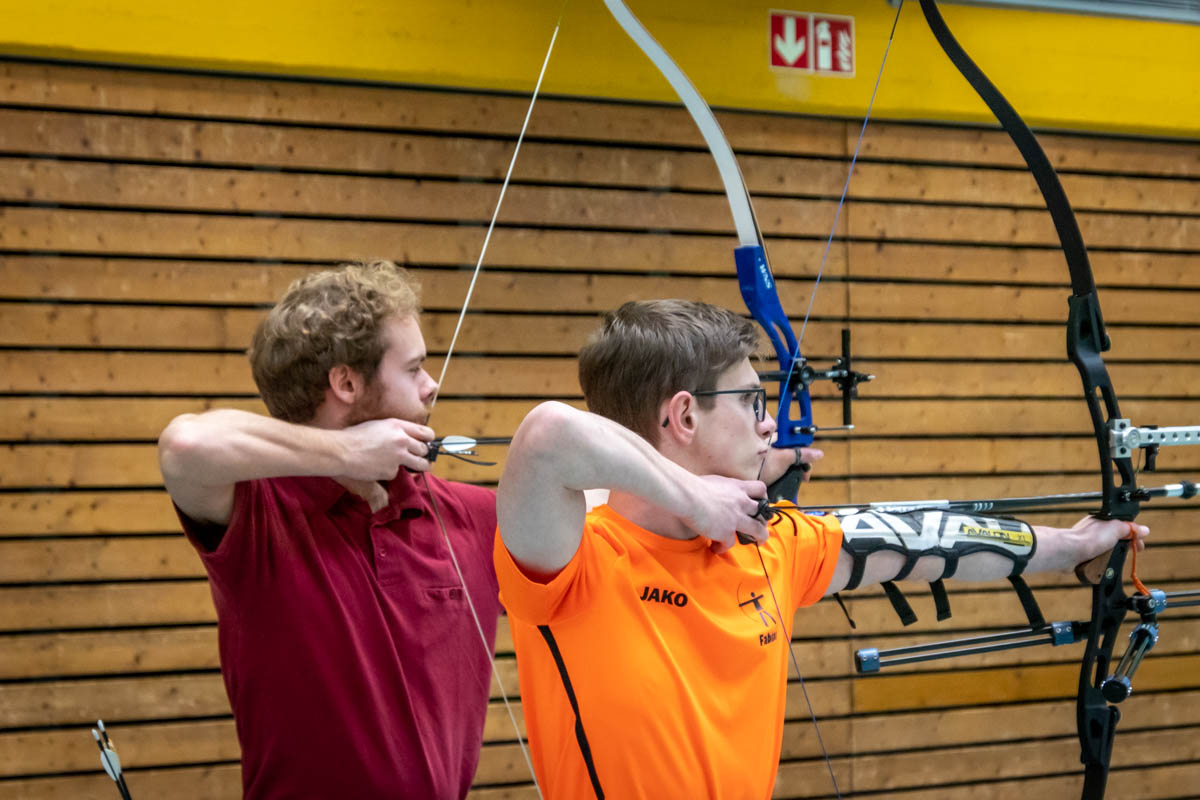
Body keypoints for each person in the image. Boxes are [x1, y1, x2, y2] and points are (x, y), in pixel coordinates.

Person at [493, 299, 1148, 799]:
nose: (768, 424)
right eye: (751, 402)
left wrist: (1071, 546)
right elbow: (547, 435)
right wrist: (696, 500)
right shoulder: (576, 559)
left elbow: (922, 542)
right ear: (684, 416)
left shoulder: (767, 544)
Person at [157, 262, 499, 799]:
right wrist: (347, 452)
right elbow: (186, 445)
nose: (431, 385)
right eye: (413, 369)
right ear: (346, 383)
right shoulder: (261, 514)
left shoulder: (473, 514)